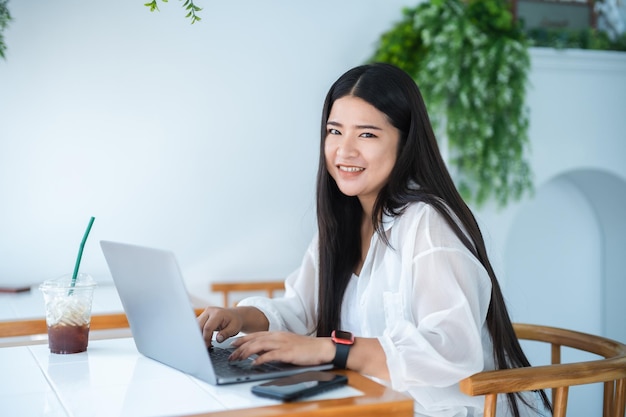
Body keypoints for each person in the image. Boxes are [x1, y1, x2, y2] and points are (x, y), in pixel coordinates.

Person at [198, 63, 551, 417]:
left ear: (405, 141)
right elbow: (302, 309)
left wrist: (333, 350)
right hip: (367, 404)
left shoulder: (428, 222)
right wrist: (239, 317)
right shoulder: (343, 219)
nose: (344, 150)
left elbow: (453, 349)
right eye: (335, 131)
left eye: (366, 135)